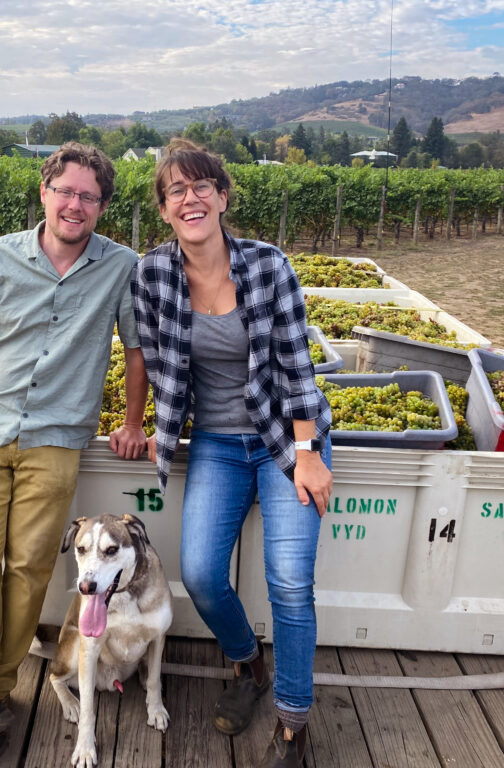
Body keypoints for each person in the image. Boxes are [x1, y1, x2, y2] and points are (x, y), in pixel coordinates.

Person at [0, 142, 148, 768]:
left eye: (89, 196)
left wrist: (133, 422)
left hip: (56, 438)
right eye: (66, 191)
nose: (75, 204)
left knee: (25, 569)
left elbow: (136, 351)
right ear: (45, 192)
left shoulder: (121, 267)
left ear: (103, 206)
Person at [132, 138, 332, 768]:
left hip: (284, 438)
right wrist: (135, 423)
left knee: (291, 585)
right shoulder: (153, 273)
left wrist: (308, 454)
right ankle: (248, 666)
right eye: (175, 191)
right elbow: (142, 356)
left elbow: (299, 371)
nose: (189, 199)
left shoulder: (268, 266)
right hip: (217, 443)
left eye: (200, 187)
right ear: (165, 210)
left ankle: (293, 727)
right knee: (200, 577)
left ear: (221, 196)